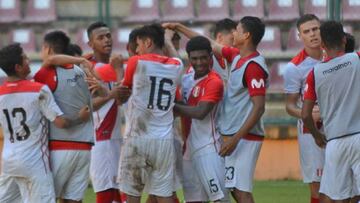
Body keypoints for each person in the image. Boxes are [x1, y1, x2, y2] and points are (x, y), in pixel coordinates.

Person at [164, 16, 268, 203]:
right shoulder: (237, 57)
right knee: (235, 188)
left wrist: (235, 139)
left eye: (236, 30)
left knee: (239, 189)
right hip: (231, 135)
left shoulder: (253, 67)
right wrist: (179, 26)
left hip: (244, 136)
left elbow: (259, 107)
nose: (233, 33)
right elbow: (208, 44)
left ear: (246, 35)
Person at [0, 43, 89, 203]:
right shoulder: (39, 90)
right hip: (34, 161)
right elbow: (61, 122)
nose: (29, 60)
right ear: (18, 67)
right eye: (25, 58)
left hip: (9, 161)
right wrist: (79, 117)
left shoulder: (1, 93)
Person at [116, 23, 183, 203]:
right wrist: (167, 39)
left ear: (147, 42)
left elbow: (122, 95)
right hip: (164, 140)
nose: (136, 49)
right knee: (164, 195)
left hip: (138, 137)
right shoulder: (176, 65)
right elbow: (177, 62)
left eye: (138, 44)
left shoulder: (136, 62)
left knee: (132, 196)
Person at [302, 20, 360, 203]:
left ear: (323, 45)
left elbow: (305, 114)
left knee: (333, 197)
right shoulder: (357, 59)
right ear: (344, 40)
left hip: (334, 141)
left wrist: (317, 136)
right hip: (359, 136)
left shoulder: (315, 73)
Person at [34, 31, 94, 203]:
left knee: (47, 198)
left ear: (47, 49)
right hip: (84, 148)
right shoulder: (81, 72)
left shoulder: (45, 73)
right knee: (73, 200)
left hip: (59, 146)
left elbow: (50, 61)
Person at [174, 36, 228, 202]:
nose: (200, 62)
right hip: (188, 151)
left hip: (209, 149)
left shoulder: (214, 82)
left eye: (204, 57)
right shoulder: (186, 79)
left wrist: (171, 106)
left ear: (211, 56)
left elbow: (200, 112)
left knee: (220, 200)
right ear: (189, 58)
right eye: (195, 58)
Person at [283, 14, 325, 203]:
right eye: (307, 31)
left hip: (341, 125)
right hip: (311, 130)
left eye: (315, 29)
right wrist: (306, 114)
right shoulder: (294, 67)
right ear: (300, 36)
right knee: (317, 186)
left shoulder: (338, 56)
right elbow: (290, 105)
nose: (313, 34)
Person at [86, 21, 124, 203]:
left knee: (120, 194)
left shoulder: (115, 65)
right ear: (90, 44)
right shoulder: (89, 70)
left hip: (117, 138)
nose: (106, 40)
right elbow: (88, 106)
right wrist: (110, 95)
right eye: (100, 37)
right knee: (106, 195)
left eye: (108, 35)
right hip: (102, 138)